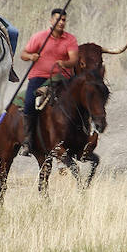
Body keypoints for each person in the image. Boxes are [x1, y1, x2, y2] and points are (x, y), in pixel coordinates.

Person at [18, 8, 80, 155]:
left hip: (62, 77)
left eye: (64, 20)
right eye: (58, 19)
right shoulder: (39, 37)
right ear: (51, 20)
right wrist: (31, 56)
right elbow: (23, 54)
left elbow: (73, 59)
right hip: (39, 76)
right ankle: (28, 139)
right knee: (28, 103)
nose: (61, 23)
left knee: (81, 100)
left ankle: (83, 132)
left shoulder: (70, 39)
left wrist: (64, 64)